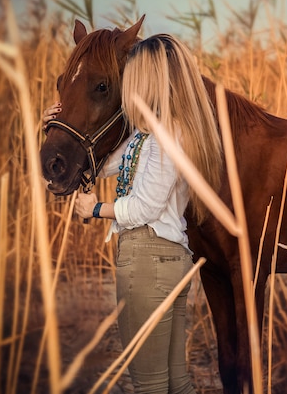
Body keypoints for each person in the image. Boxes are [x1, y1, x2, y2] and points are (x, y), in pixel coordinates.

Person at [43, 34, 223, 394]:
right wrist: (54, 125)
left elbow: (145, 207)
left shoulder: (163, 138)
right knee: (177, 382)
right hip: (166, 261)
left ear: (151, 79)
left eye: (136, 74)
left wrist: (96, 209)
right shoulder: (150, 135)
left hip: (147, 261)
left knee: (149, 384)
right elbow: (105, 163)